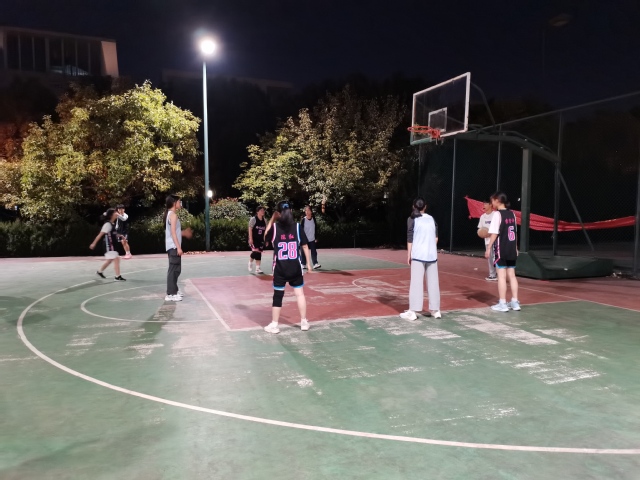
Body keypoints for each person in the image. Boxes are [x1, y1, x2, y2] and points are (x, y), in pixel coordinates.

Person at [263, 201, 313, 334]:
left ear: (278, 213)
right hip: (295, 267)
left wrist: (272, 219)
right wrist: (308, 264)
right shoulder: (297, 227)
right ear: (291, 211)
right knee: (300, 294)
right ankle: (303, 322)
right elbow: (305, 245)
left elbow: (265, 237)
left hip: (280, 268)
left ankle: (274, 325)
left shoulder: (275, 228)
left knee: (278, 296)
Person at [399, 197, 441, 321]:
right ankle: (436, 310)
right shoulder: (431, 219)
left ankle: (412, 311)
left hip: (418, 255)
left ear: (414, 206)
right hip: (432, 255)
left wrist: (409, 254)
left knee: (416, 283)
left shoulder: (412, 219)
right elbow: (436, 238)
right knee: (433, 283)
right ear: (425, 207)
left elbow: (410, 238)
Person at [485, 192, 520, 312]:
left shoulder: (497, 214)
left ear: (497, 200)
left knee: (501, 276)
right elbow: (515, 232)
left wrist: (488, 248)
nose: (492, 203)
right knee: (512, 275)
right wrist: (516, 248)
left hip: (502, 248)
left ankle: (502, 303)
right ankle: (515, 302)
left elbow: (494, 233)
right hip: (511, 248)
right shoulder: (512, 214)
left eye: (492, 201)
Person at [164, 194, 192, 302]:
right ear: (174, 203)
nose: (180, 203)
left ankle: (174, 290)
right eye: (179, 201)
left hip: (172, 246)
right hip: (173, 246)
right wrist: (178, 247)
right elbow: (173, 233)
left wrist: (183, 233)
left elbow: (174, 231)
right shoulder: (173, 215)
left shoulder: (170, 214)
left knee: (176, 269)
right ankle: (171, 294)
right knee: (173, 270)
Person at [89, 208, 126, 281]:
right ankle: (117, 276)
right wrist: (93, 243)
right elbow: (100, 235)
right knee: (116, 258)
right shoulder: (107, 224)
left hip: (112, 245)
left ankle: (99, 271)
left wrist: (120, 235)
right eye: (115, 212)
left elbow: (113, 234)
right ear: (111, 215)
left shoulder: (112, 224)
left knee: (110, 260)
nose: (117, 213)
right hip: (109, 245)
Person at [477, 200, 496, 281]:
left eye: (486, 204)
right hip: (487, 241)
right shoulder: (482, 217)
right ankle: (492, 275)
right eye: (483, 204)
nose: (484, 205)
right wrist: (483, 233)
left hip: (496, 240)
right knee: (490, 258)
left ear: (491, 205)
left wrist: (491, 233)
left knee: (496, 257)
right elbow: (480, 229)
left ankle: (500, 273)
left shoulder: (495, 215)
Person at [247, 206, 267, 274]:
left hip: (260, 239)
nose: (263, 211)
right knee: (256, 251)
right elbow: (250, 229)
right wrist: (250, 238)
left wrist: (266, 240)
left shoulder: (265, 220)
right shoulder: (253, 219)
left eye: (263, 210)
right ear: (257, 212)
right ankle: (250, 262)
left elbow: (265, 231)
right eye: (261, 210)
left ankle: (257, 268)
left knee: (259, 252)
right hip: (254, 238)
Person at [300, 205, 321, 270]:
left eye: (308, 210)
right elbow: (301, 230)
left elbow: (315, 228)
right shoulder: (303, 220)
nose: (307, 212)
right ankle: (303, 264)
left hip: (312, 238)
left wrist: (316, 237)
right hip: (305, 239)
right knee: (303, 252)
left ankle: (315, 263)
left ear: (311, 211)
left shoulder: (313, 219)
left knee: (314, 251)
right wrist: (301, 238)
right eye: (306, 210)